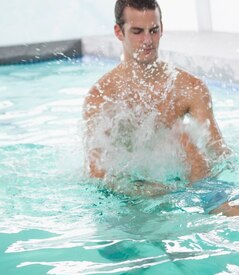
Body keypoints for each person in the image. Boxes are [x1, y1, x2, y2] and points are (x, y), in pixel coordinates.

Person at [83, 0, 227, 191]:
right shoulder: (102, 97)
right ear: (119, 32)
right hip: (129, 202)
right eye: (137, 32)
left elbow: (218, 153)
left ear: (162, 28)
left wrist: (198, 169)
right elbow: (97, 174)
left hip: (184, 190)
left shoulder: (190, 88)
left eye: (153, 30)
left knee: (186, 141)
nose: (148, 41)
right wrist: (145, 192)